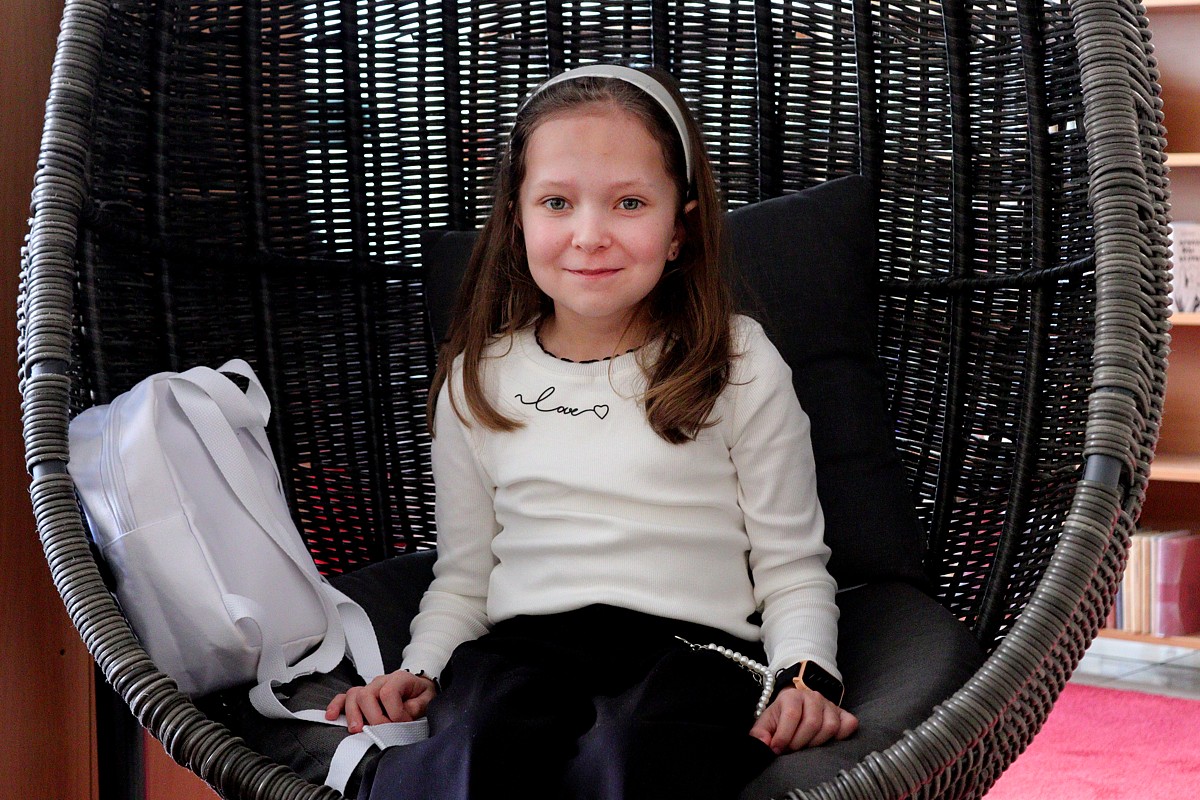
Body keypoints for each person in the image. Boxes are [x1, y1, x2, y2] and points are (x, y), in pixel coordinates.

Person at [326, 62, 857, 799]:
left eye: (629, 203)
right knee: (475, 748)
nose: (590, 235)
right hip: (519, 654)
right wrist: (421, 668)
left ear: (680, 228)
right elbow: (465, 578)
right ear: (517, 220)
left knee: (631, 757)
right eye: (557, 202)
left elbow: (791, 564)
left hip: (692, 655)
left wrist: (805, 676)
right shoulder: (478, 377)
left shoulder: (735, 361)